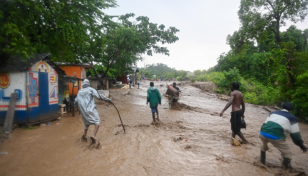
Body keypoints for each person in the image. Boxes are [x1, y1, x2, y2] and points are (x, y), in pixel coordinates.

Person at [259, 102, 307, 169]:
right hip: (276, 136)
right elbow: (295, 135)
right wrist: (301, 145)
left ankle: (262, 162)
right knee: (288, 154)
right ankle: (285, 171)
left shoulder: (273, 113)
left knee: (263, 146)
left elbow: (265, 124)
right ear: (291, 109)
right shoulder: (293, 118)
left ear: (282, 106)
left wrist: (262, 133)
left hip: (262, 133)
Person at [75, 79, 113, 144]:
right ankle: (93, 135)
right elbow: (98, 96)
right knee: (97, 122)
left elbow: (76, 101)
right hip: (90, 109)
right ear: (88, 83)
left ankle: (84, 137)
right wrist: (108, 100)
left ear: (83, 84)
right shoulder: (91, 89)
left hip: (83, 110)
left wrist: (78, 108)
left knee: (86, 123)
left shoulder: (79, 91)